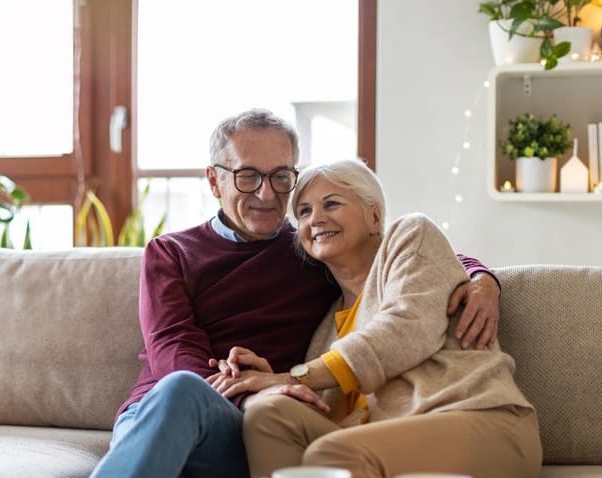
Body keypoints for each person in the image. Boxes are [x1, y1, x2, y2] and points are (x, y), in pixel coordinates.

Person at [90, 109, 503, 478]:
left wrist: (482, 279)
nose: (266, 194)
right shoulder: (171, 252)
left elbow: (403, 253)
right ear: (215, 180)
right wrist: (255, 388)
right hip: (168, 411)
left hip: (251, 428)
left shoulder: (311, 247)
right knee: (181, 387)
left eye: (280, 176)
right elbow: (171, 350)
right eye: (247, 175)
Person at [209, 159, 542, 478]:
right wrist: (278, 386)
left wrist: (295, 377)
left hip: (484, 421)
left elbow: (405, 329)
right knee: (268, 414)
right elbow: (331, 404)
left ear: (374, 215)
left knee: (332, 457)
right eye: (304, 212)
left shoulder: (411, 237)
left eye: (332, 204)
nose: (316, 219)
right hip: (383, 440)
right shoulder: (327, 328)